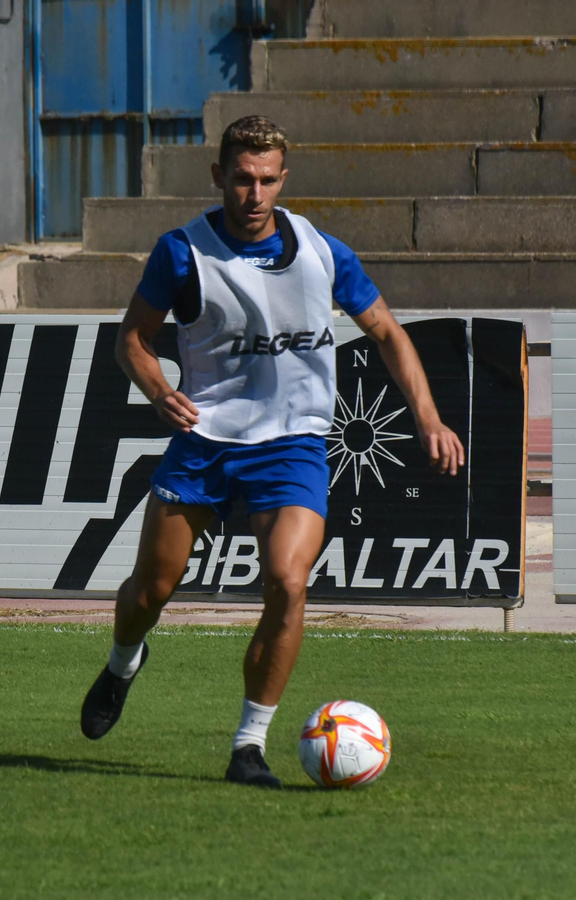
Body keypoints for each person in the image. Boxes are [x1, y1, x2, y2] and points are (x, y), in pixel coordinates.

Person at [77, 115, 465, 787]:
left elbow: (389, 334)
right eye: (241, 179)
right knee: (150, 591)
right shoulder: (182, 252)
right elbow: (131, 340)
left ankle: (248, 745)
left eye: (266, 180)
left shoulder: (323, 253)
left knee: (287, 582)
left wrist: (428, 418)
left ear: (283, 179)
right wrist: (158, 389)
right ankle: (122, 662)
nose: (253, 194)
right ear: (218, 177)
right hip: (205, 440)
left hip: (294, 443)